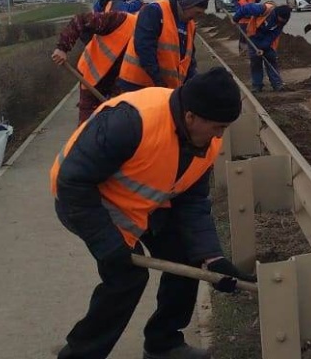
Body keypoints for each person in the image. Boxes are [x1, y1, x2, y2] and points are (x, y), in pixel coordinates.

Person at [50, 65, 255, 359]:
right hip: (87, 202)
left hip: (145, 204)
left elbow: (192, 202)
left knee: (187, 254)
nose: (220, 135)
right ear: (190, 116)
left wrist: (213, 257)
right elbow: (72, 182)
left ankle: (163, 344)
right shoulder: (130, 122)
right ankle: (80, 354)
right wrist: (109, 244)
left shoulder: (207, 139)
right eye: (217, 127)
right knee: (127, 277)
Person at [52, 1, 146, 123]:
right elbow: (80, 20)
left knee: (114, 125)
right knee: (87, 125)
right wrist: (62, 48)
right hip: (91, 75)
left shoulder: (150, 41)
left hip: (116, 83)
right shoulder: (120, 20)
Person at [118, 0, 211, 92]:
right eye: (197, 12)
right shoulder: (155, 11)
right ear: (187, 5)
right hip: (137, 84)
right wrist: (158, 81)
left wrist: (195, 85)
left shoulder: (190, 25)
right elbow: (144, 49)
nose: (196, 17)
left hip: (165, 88)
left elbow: (189, 60)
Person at [231, 0, 290, 92]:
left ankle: (277, 84)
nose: (280, 22)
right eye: (280, 20)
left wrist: (263, 48)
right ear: (277, 14)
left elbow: (272, 36)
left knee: (271, 59)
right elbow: (245, 8)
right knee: (255, 61)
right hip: (253, 36)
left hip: (267, 41)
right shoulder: (262, 9)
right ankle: (257, 85)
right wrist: (235, 19)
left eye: (283, 21)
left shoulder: (281, 23)